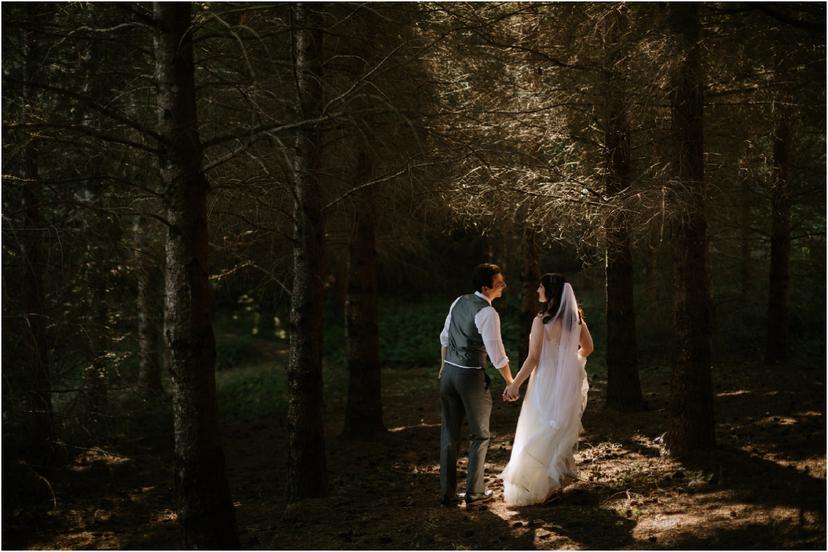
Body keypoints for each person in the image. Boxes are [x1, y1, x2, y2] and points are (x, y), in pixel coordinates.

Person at [499, 273, 594, 506]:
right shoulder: (576, 320)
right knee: (559, 427)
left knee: (539, 425)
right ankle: (554, 482)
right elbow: (588, 348)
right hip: (567, 380)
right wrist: (569, 363)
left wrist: (515, 384)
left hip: (545, 380)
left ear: (550, 292)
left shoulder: (541, 321)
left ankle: (538, 484)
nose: (538, 290)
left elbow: (533, 358)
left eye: (541, 287)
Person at [439, 263, 515, 506]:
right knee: (480, 435)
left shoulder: (458, 301)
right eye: (499, 282)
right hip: (470, 378)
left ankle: (447, 494)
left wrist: (443, 366)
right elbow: (497, 354)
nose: (503, 286)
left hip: (449, 375)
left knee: (449, 436)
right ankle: (475, 492)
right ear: (486, 287)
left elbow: (444, 337)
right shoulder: (488, 313)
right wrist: (510, 381)